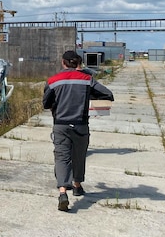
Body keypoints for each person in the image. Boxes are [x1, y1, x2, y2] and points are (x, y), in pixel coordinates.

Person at [43, 50, 114, 212]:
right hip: (81, 125)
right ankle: (77, 185)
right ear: (78, 63)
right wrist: (92, 102)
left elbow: (46, 103)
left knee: (62, 157)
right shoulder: (87, 79)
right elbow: (108, 94)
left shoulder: (53, 81)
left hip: (61, 125)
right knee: (79, 156)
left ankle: (62, 192)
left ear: (63, 62)